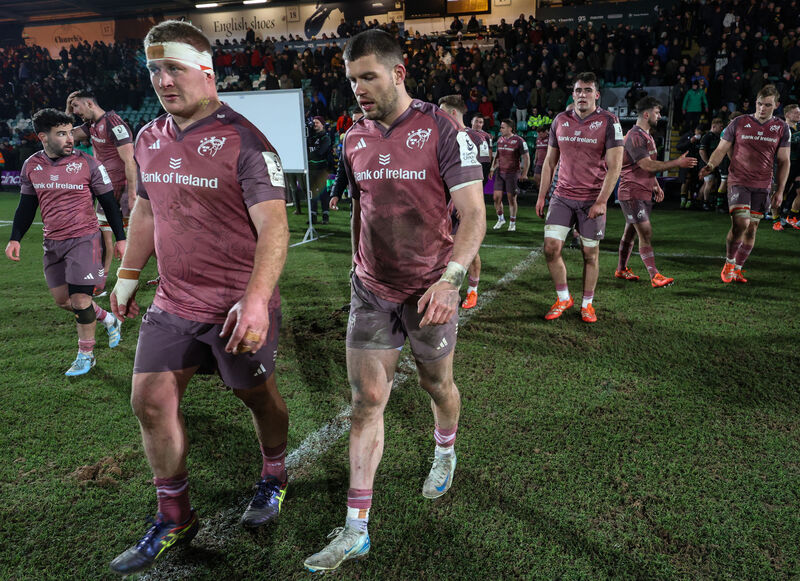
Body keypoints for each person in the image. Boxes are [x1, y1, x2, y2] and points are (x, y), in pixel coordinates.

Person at [107, 20, 291, 575]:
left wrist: (257, 300)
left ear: (207, 74)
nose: (164, 81)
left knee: (257, 399)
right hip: (173, 303)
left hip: (237, 305)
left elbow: (276, 229)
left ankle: (275, 472)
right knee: (149, 402)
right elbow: (146, 208)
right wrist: (128, 273)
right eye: (155, 70)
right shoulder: (147, 137)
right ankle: (175, 514)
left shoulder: (248, 141)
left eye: (175, 68)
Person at [304, 30, 485, 574]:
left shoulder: (442, 130)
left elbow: (472, 215)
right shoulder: (352, 137)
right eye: (351, 79)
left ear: (398, 72)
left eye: (368, 77)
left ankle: (445, 449)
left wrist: (452, 279)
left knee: (438, 385)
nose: (359, 89)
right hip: (371, 290)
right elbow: (362, 207)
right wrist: (356, 268)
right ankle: (356, 528)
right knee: (366, 402)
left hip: (430, 288)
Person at [4, 108, 125, 376]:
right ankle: (108, 318)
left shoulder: (88, 163)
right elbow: (26, 206)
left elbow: (109, 203)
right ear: (43, 137)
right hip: (52, 243)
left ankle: (86, 354)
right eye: (61, 133)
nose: (70, 138)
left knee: (81, 299)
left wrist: (121, 238)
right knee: (63, 300)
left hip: (85, 240)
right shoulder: (32, 166)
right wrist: (15, 238)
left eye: (70, 132)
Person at [535, 72, 624, 323]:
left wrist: (602, 200)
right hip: (561, 196)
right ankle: (564, 298)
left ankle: (587, 304)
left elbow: (615, 165)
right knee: (551, 249)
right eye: (577, 90)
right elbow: (549, 162)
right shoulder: (560, 119)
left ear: (596, 95)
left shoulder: (609, 121)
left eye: (587, 90)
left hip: (591, 199)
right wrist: (542, 196)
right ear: (572, 94)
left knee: (589, 254)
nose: (581, 95)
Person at [699, 84, 790, 283]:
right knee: (741, 223)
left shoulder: (782, 128)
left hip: (763, 184)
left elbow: (784, 161)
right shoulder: (739, 122)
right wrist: (711, 164)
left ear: (776, 105)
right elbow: (722, 148)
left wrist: (780, 191)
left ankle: (738, 268)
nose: (762, 108)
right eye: (759, 104)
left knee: (752, 228)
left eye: (767, 105)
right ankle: (729, 263)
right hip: (739, 180)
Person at [615, 97, 697, 287]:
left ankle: (621, 269)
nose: (660, 116)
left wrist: (655, 185)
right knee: (645, 232)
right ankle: (654, 275)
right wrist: (676, 163)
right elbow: (646, 164)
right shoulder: (635, 136)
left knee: (630, 233)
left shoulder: (648, 136)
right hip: (632, 192)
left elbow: (646, 168)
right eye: (657, 113)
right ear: (646, 114)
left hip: (642, 192)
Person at [66, 90, 137, 296]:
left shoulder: (114, 123)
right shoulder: (91, 125)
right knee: (102, 238)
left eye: (76, 107)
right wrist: (67, 111)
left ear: (89, 103)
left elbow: (130, 162)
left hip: (123, 190)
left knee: (135, 240)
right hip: (105, 189)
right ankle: (101, 282)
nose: (75, 112)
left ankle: (143, 280)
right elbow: (67, 134)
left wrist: (132, 195)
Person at [439, 96, 490, 310]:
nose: (437, 117)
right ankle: (449, 290)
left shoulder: (477, 138)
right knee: (444, 248)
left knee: (469, 248)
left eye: (441, 112)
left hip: (462, 204)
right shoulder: (440, 138)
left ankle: (472, 291)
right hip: (442, 205)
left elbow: (484, 174)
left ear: (452, 113)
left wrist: (469, 205)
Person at [489, 118, 530, 231]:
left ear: (510, 128)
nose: (500, 129)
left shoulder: (519, 140)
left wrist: (524, 173)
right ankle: (501, 219)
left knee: (511, 199)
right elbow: (497, 156)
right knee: (496, 198)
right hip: (500, 172)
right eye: (501, 127)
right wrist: (492, 168)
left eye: (503, 127)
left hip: (512, 174)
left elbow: (526, 158)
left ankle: (512, 223)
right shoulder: (500, 140)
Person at [308, 115, 332, 224]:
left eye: (317, 122)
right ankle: (313, 216)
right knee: (312, 193)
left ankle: (325, 215)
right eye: (313, 122)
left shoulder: (325, 138)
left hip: (322, 169)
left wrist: (309, 155)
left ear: (322, 124)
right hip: (312, 169)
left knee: (323, 193)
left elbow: (320, 152)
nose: (314, 124)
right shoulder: (311, 137)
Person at [698, 118, 724, 211]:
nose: (722, 128)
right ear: (714, 126)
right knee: (709, 182)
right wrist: (708, 164)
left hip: (713, 164)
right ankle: (705, 203)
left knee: (707, 184)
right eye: (720, 126)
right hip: (706, 164)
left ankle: (699, 201)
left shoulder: (717, 136)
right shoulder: (707, 136)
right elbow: (701, 151)